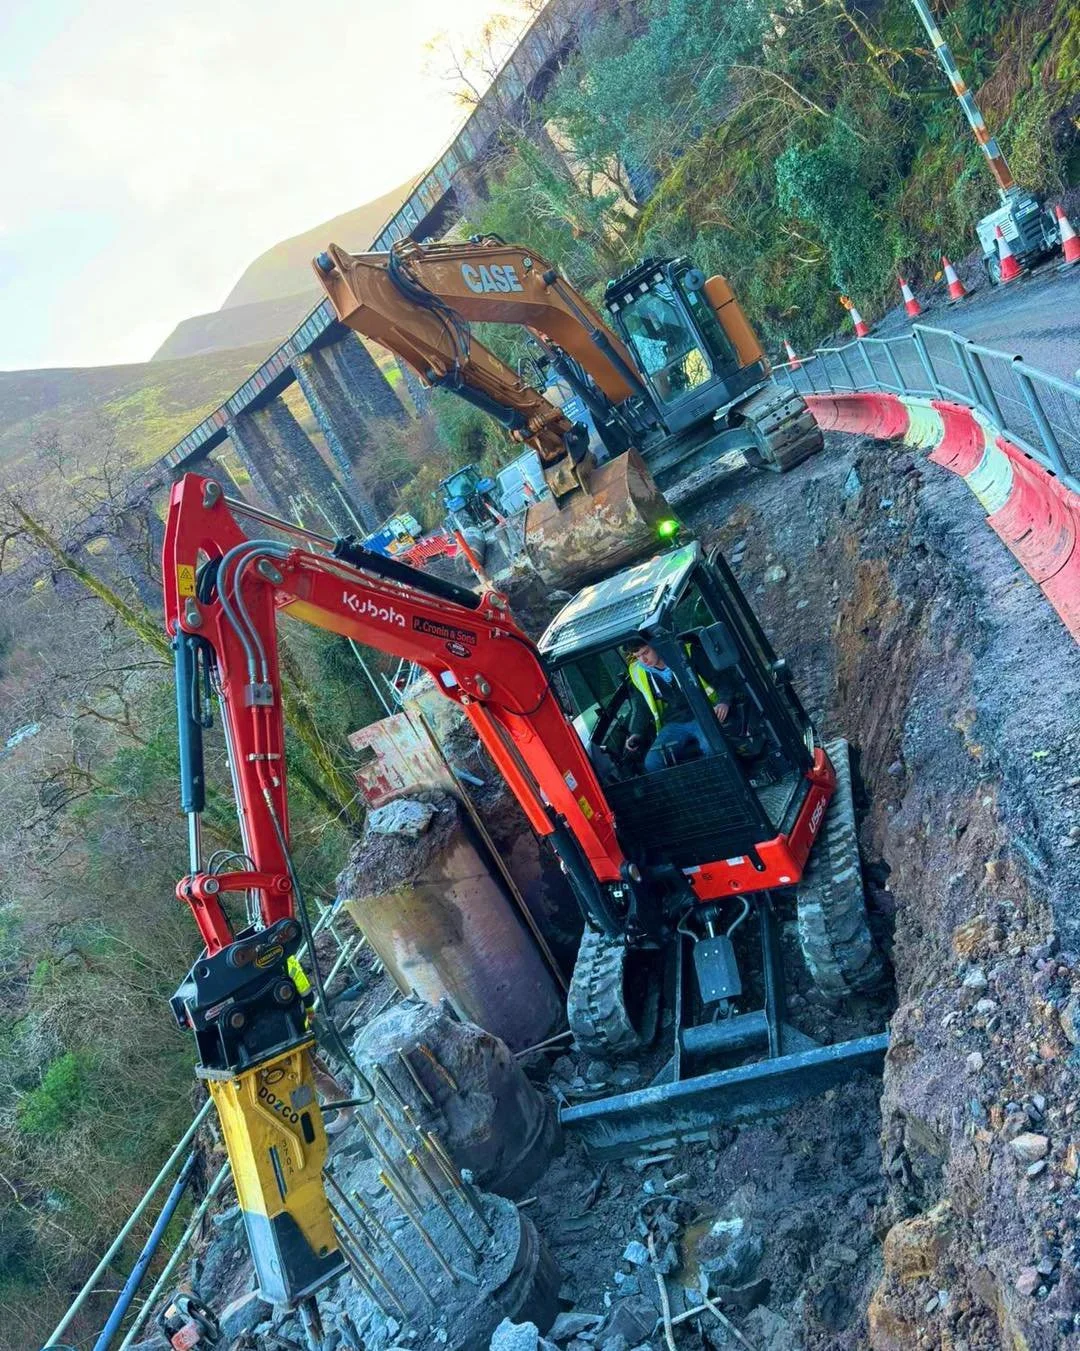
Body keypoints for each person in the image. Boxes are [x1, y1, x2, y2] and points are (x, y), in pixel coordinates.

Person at [624, 639, 736, 773]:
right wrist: (636, 733)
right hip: (673, 723)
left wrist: (724, 701)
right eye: (637, 657)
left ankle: (725, 782)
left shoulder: (687, 653)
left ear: (657, 645)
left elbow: (720, 679)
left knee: (712, 747)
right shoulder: (639, 673)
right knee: (653, 762)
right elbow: (642, 707)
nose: (643, 660)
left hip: (703, 713)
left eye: (646, 652)